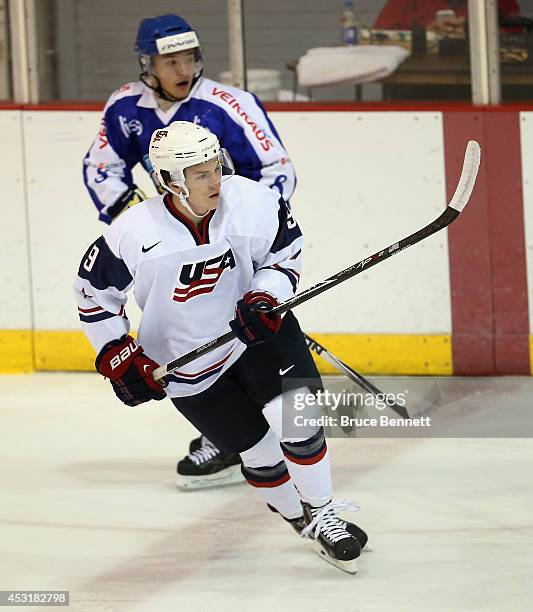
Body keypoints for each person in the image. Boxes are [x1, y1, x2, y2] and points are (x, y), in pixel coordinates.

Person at [74, 121, 368, 573]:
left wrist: (266, 295)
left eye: (216, 166)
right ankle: (299, 517)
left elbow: (285, 252)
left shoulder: (251, 201)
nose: (215, 180)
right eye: (200, 174)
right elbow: (94, 293)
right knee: (260, 454)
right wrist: (117, 352)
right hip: (186, 363)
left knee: (297, 418)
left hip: (257, 334)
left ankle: (325, 513)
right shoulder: (132, 233)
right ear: (170, 181)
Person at [82, 14, 296, 489]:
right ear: (147, 64)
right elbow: (101, 166)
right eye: (170, 60)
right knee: (192, 335)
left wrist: (244, 223)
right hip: (180, 238)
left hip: (236, 237)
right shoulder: (124, 108)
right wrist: (144, 216)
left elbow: (278, 170)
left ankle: (281, 425)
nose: (183, 68)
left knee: (252, 327)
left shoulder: (230, 104)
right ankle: (228, 433)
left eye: (189, 57)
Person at [374, 0, 521, 35]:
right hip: (423, 85)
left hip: (493, 87)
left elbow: (521, 42)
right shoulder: (406, 2)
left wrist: (477, 34)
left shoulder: (496, 3)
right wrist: (427, 34)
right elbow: (378, 38)